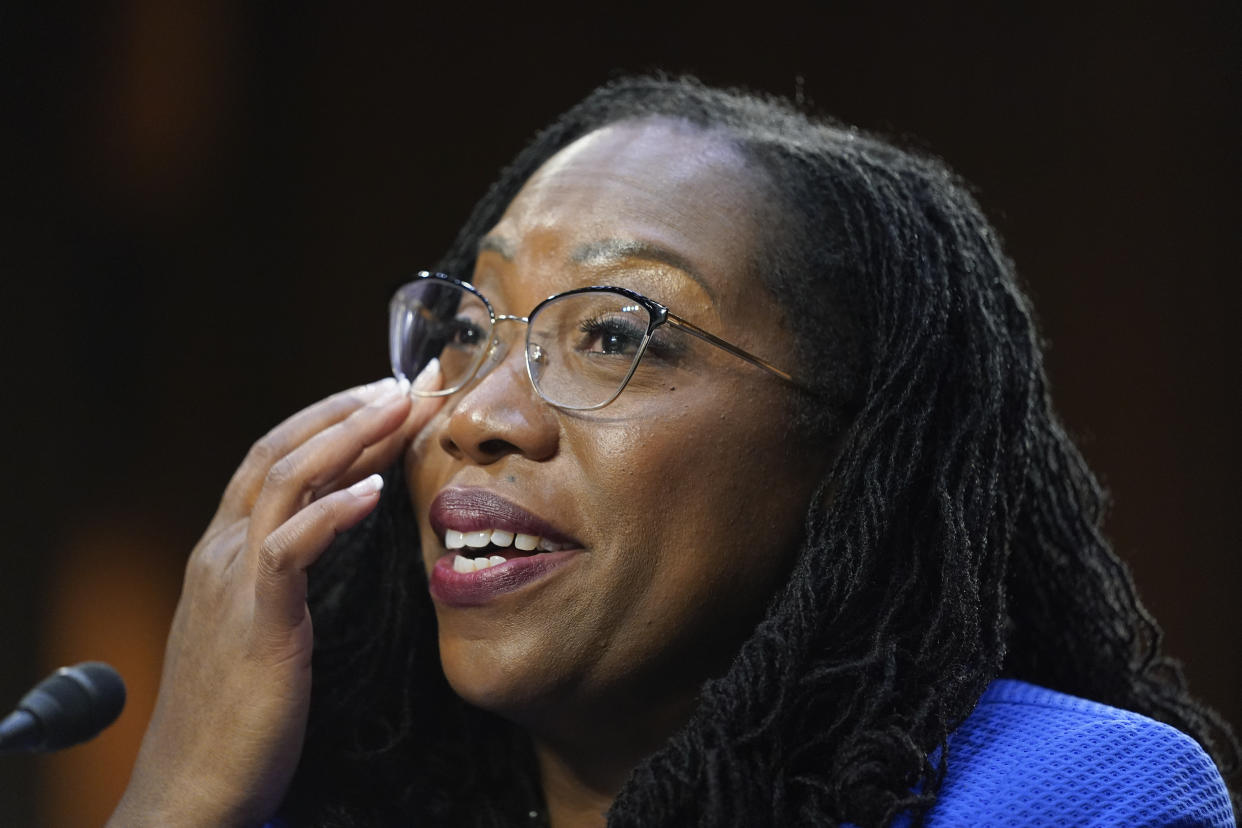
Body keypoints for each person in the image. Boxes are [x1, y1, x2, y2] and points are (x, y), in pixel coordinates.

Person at [108, 77, 1238, 827]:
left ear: (852, 458)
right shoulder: (332, 795)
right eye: (466, 329)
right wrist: (180, 798)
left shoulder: (1065, 798)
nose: (475, 414)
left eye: (612, 334)